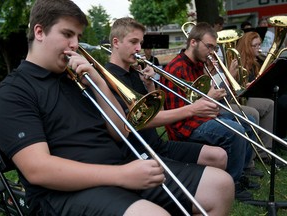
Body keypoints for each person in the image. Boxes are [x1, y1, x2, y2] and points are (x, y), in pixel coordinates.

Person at [0, 1, 234, 215]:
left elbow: (121, 130)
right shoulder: (14, 91)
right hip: (63, 194)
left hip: (117, 169)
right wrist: (123, 176)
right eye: (67, 34)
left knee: (219, 186)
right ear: (39, 32)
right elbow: (38, 170)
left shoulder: (76, 76)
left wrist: (99, 81)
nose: (76, 45)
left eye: (78, 36)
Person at [106, 17, 228, 170]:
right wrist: (192, 109)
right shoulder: (108, 77)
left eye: (140, 43)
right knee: (218, 180)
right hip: (140, 155)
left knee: (219, 156)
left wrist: (150, 85)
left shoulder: (134, 73)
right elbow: (137, 123)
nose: (139, 48)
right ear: (116, 43)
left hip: (158, 145)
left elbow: (160, 114)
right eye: (133, 42)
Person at [160, 22, 258, 201]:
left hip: (203, 116)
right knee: (236, 131)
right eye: (209, 46)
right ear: (193, 43)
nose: (212, 52)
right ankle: (233, 183)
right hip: (186, 126)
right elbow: (179, 113)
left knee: (249, 120)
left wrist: (224, 80)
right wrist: (208, 98)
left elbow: (209, 99)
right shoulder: (175, 69)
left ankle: (242, 172)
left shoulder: (200, 64)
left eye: (214, 47)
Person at [235, 31, 274, 159]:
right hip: (238, 100)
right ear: (247, 47)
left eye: (259, 44)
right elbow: (234, 88)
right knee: (257, 110)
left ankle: (265, 150)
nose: (259, 48)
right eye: (255, 45)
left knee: (270, 104)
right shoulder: (237, 62)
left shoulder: (257, 61)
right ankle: (254, 155)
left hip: (249, 97)